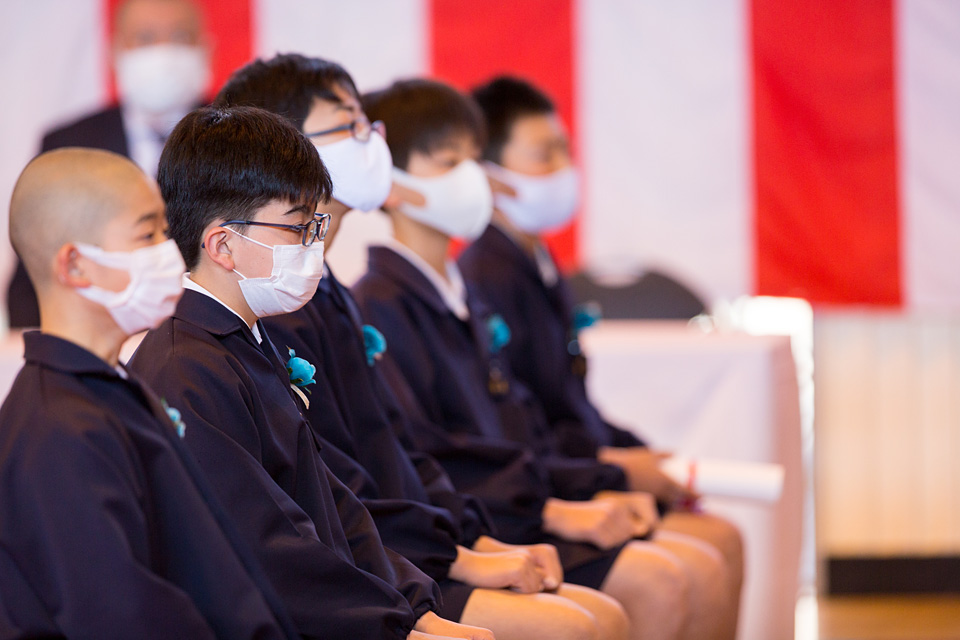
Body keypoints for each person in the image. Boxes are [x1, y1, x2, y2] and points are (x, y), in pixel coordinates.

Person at [215, 52, 630, 640]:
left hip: (414, 549)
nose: (372, 143)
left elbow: (399, 448)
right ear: (281, 147)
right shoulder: (278, 305)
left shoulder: (328, 291)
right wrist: (455, 558)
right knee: (593, 620)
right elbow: (326, 491)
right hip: (373, 572)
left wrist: (468, 541)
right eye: (349, 125)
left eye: (369, 125)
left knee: (615, 609)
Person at [353, 78, 733, 640]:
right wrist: (562, 501)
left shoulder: (464, 292)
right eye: (449, 163)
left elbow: (524, 419)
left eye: (472, 160)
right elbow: (431, 456)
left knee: (708, 552)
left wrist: (600, 475)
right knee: (660, 583)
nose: (471, 178)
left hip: (514, 503)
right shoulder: (380, 305)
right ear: (390, 184)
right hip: (483, 520)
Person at [127, 104, 492, 640]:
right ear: (223, 244)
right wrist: (394, 626)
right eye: (298, 227)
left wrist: (414, 606)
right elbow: (265, 552)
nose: (313, 245)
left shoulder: (248, 338)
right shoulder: (185, 368)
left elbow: (333, 505)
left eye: (315, 226)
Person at [460, 75, 745, 636]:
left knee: (722, 540)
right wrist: (614, 470)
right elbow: (515, 430)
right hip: (533, 494)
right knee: (677, 573)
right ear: (490, 175)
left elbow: (569, 405)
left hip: (564, 473)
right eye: (544, 155)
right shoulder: (485, 277)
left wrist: (634, 455)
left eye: (565, 150)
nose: (564, 169)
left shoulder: (539, 265)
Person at [0, 147, 298, 639]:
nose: (169, 252)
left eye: (165, 230)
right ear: (75, 266)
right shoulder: (54, 431)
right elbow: (123, 616)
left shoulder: (112, 385)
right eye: (147, 235)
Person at [7, 0, 211, 328]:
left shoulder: (242, 139)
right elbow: (32, 281)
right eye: (145, 38)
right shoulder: (68, 143)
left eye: (179, 36)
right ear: (115, 51)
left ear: (206, 47)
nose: (163, 52)